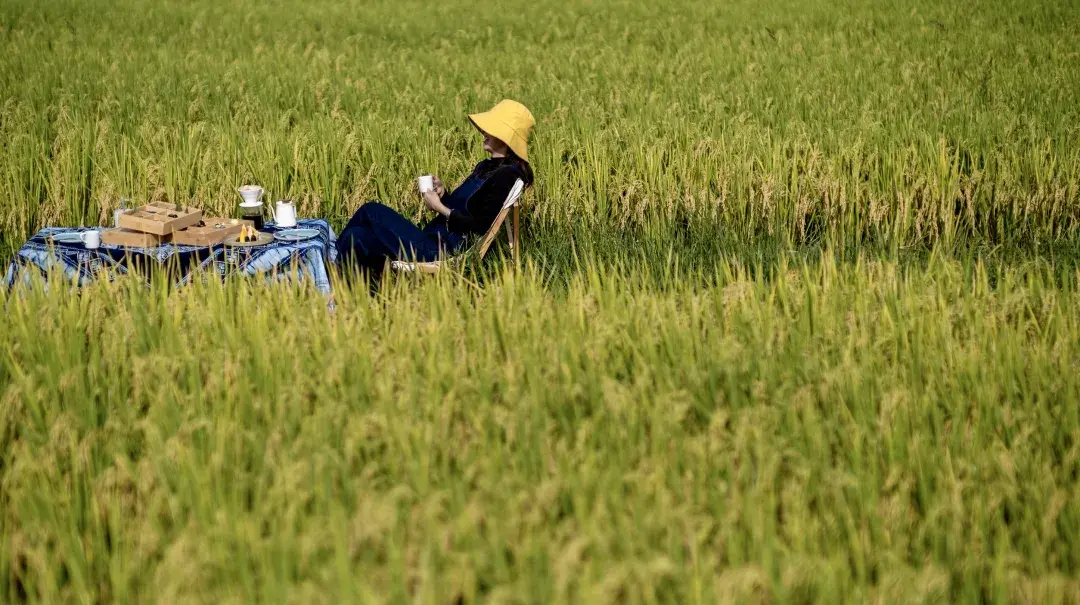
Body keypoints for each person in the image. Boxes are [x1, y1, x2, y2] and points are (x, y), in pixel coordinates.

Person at [336, 99, 535, 281]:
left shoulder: (506, 175)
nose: (483, 132)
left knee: (371, 210)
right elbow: (468, 210)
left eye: (490, 129)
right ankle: (346, 293)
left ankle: (328, 275)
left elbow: (480, 225)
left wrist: (439, 207)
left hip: (443, 251)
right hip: (433, 238)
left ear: (505, 136)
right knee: (356, 235)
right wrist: (444, 194)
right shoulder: (486, 167)